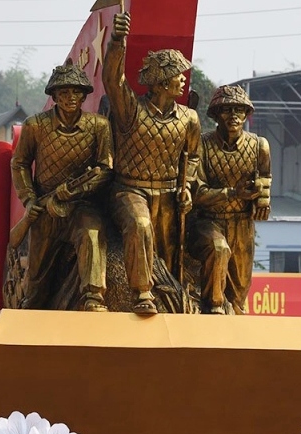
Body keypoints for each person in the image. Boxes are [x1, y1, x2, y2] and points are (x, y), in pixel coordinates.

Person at [106, 10, 200, 314]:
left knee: (170, 253)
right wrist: (118, 40)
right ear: (159, 83)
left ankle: (175, 298)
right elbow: (112, 80)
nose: (184, 79)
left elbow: (194, 156)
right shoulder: (131, 110)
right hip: (128, 191)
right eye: (177, 75)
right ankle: (142, 293)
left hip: (168, 193)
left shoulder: (189, 119)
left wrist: (187, 187)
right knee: (140, 225)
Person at [7, 63, 113, 312]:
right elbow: (20, 163)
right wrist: (29, 200)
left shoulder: (99, 126)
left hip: (81, 205)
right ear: (53, 96)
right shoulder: (36, 125)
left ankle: (93, 297)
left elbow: (106, 169)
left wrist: (76, 191)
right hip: (45, 206)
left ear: (84, 95)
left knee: (92, 234)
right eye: (63, 93)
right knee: (37, 282)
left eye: (75, 92)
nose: (69, 98)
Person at [190, 85, 271, 315]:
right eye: (226, 110)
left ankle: (234, 331)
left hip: (242, 223)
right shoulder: (203, 144)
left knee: (239, 291)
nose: (233, 116)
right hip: (208, 221)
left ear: (246, 114)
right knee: (218, 249)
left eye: (239, 110)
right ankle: (213, 308)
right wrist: (233, 193)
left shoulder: (259, 146)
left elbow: (265, 178)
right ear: (216, 114)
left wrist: (261, 199)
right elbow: (198, 192)